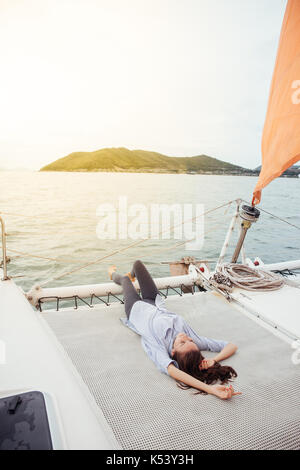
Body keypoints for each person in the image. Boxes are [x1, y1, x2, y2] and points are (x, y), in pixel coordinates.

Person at [109, 260, 241, 400]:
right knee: (137, 264)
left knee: (124, 280)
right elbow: (231, 346)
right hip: (155, 303)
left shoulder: (158, 346)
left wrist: (210, 389)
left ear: (173, 352)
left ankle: (112, 274)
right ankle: (132, 275)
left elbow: (172, 370)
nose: (185, 336)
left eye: (182, 343)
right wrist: (214, 360)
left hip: (136, 309)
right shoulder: (193, 343)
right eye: (190, 340)